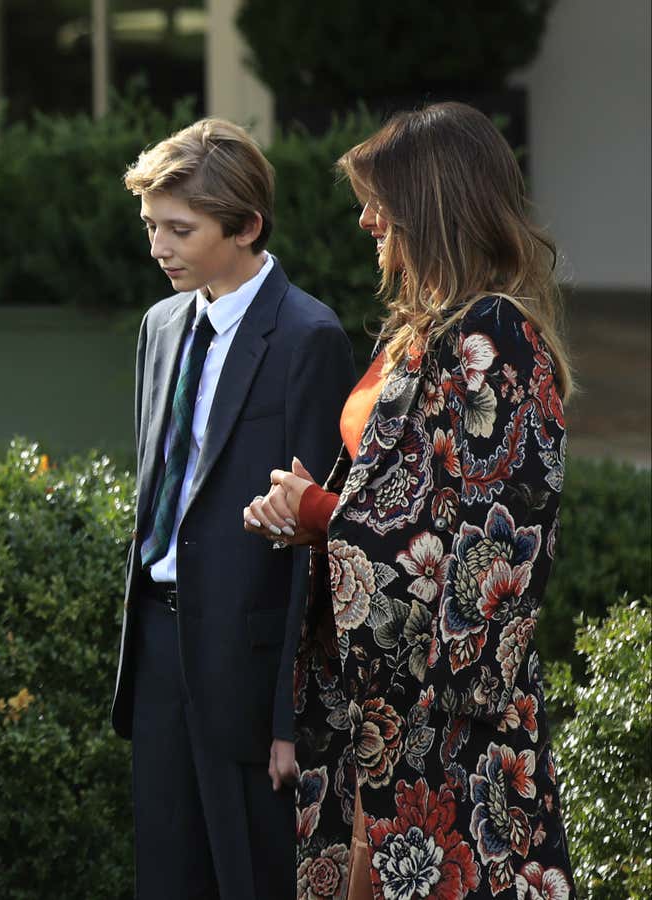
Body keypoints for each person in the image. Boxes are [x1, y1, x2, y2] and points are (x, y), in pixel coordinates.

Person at [245, 102, 575, 899]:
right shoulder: (419, 336)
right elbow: (397, 501)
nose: (366, 221)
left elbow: (501, 539)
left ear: (432, 205)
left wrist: (322, 516)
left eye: (379, 202)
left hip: (446, 718)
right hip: (375, 712)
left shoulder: (493, 336)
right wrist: (313, 514)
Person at [109, 118, 354, 899]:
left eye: (180, 229)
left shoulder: (308, 337)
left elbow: (316, 539)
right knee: (167, 877)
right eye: (151, 226)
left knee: (251, 880)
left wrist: (291, 711)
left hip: (249, 675)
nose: (159, 247)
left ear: (246, 226)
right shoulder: (159, 325)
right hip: (157, 642)